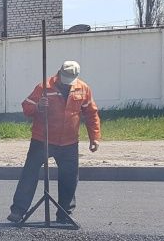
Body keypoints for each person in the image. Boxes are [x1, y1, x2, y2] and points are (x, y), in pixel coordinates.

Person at [7, 61, 101, 224]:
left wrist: (95, 137)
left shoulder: (83, 89)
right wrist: (38, 107)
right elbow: (26, 108)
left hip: (69, 142)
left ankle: (64, 213)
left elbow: (91, 114)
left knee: (70, 177)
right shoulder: (44, 87)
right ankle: (18, 210)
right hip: (42, 139)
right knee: (29, 173)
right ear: (59, 72)